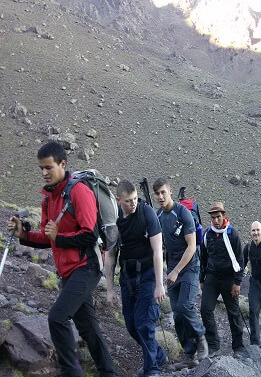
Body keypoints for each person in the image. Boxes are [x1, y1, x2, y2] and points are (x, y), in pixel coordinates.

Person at [7, 142, 116, 376]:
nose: (44, 173)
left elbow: (90, 235)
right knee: (88, 328)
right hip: (68, 271)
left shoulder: (79, 191)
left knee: (57, 318)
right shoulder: (48, 197)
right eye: (41, 168)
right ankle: (109, 372)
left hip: (87, 266)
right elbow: (49, 238)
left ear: (63, 164)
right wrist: (23, 235)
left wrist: (60, 237)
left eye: (48, 167)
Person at [105, 181, 171, 376]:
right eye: (128, 201)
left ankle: (152, 369)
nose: (133, 203)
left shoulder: (147, 213)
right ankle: (158, 355)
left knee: (145, 322)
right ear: (119, 200)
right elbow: (110, 255)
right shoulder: (114, 218)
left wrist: (160, 284)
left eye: (135, 199)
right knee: (132, 325)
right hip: (127, 277)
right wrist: (109, 290)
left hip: (149, 276)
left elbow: (158, 251)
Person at [153, 178, 207, 367]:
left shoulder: (183, 213)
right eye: (157, 193)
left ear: (170, 191)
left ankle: (201, 337)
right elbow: (158, 247)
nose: (160, 197)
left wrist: (175, 271)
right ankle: (188, 354)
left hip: (189, 266)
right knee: (177, 314)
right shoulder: (158, 216)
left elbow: (192, 247)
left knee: (185, 306)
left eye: (163, 192)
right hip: (172, 267)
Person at [200, 201, 245, 355]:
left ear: (223, 216)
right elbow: (203, 257)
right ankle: (213, 345)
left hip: (229, 279)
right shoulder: (207, 234)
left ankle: (238, 346)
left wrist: (237, 282)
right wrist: (202, 278)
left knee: (233, 313)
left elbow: (240, 259)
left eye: (218, 217)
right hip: (212, 277)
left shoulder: (232, 234)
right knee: (205, 309)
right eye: (213, 218)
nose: (216, 220)